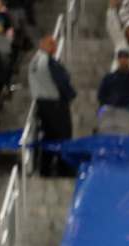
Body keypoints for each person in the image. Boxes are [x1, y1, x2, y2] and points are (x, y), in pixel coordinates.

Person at [30, 34, 75, 174]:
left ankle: (45, 169)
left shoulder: (34, 61)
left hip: (41, 104)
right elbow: (62, 82)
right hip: (55, 106)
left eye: (55, 43)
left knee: (48, 137)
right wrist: (71, 95)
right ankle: (63, 169)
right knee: (63, 138)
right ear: (42, 45)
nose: (54, 47)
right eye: (51, 43)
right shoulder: (49, 62)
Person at [99, 48, 129, 118]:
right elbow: (101, 95)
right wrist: (111, 101)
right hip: (113, 106)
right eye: (121, 58)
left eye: (126, 58)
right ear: (118, 60)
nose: (123, 60)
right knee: (102, 111)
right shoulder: (109, 78)